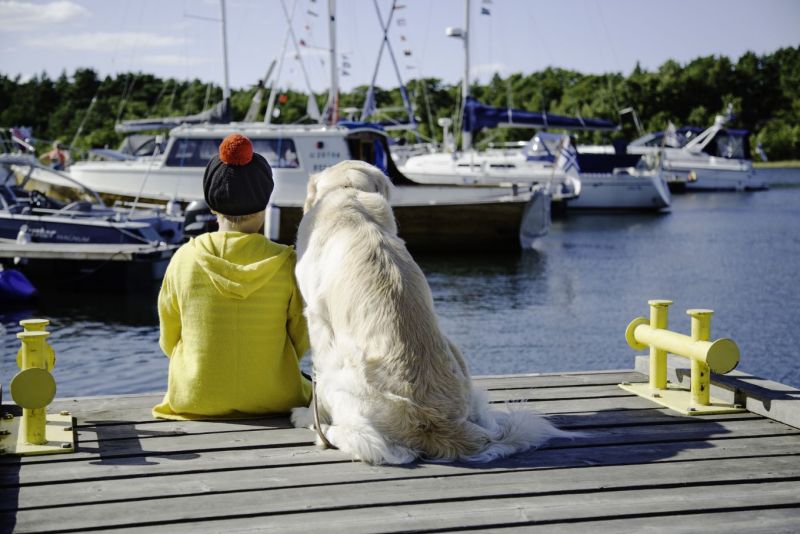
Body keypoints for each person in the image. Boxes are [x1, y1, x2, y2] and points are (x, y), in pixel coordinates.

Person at [153, 133, 312, 420]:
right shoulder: (288, 264)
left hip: (195, 398)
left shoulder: (183, 259)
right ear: (265, 202)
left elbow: (168, 338)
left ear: (212, 204)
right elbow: (301, 338)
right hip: (277, 396)